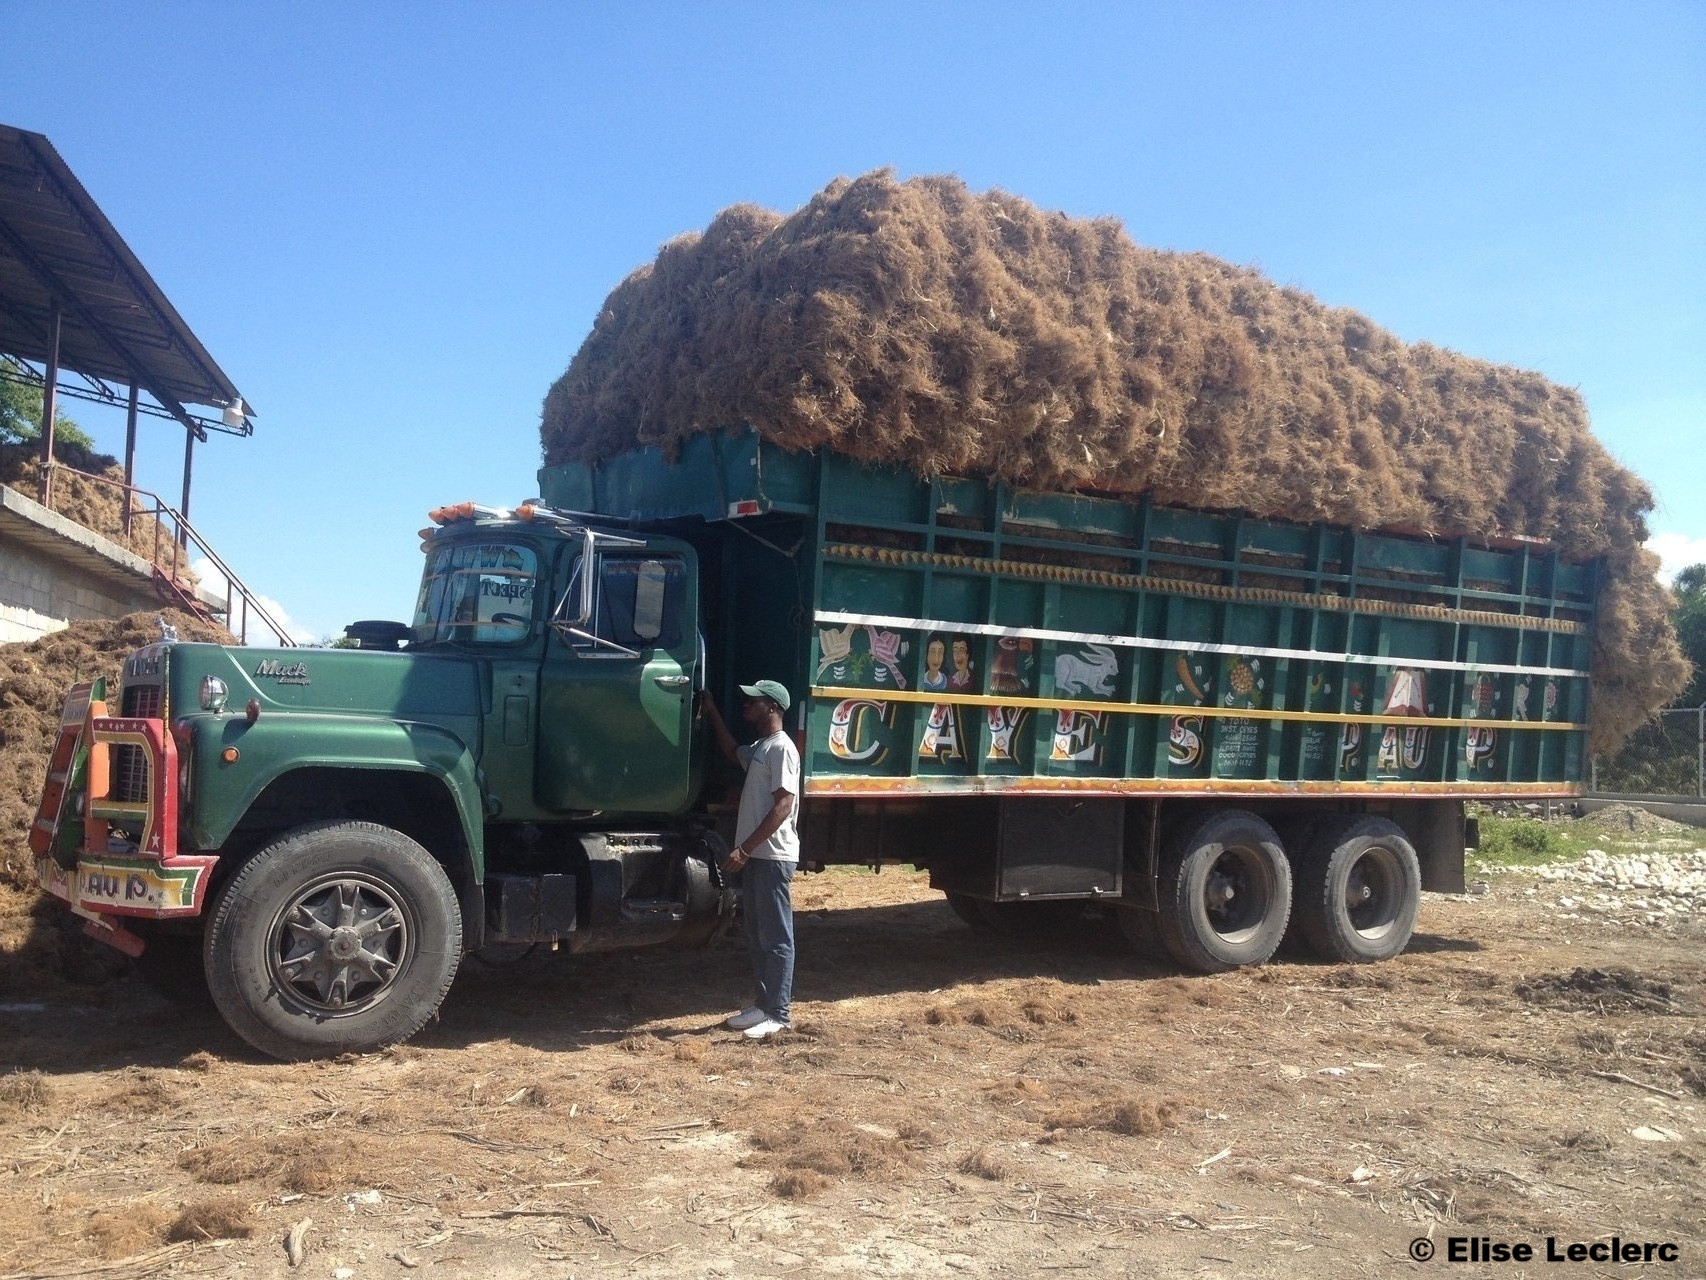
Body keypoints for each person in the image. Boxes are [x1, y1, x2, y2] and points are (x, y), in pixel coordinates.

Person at [700, 679, 801, 1039]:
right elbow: (731, 751)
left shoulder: (782, 749)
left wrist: (745, 848)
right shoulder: (761, 747)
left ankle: (780, 1014)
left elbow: (784, 805)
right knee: (758, 934)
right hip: (759, 856)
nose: (745, 705)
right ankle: (763, 1005)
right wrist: (711, 712)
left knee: (776, 937)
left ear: (771, 707)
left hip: (773, 857)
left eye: (752, 701)